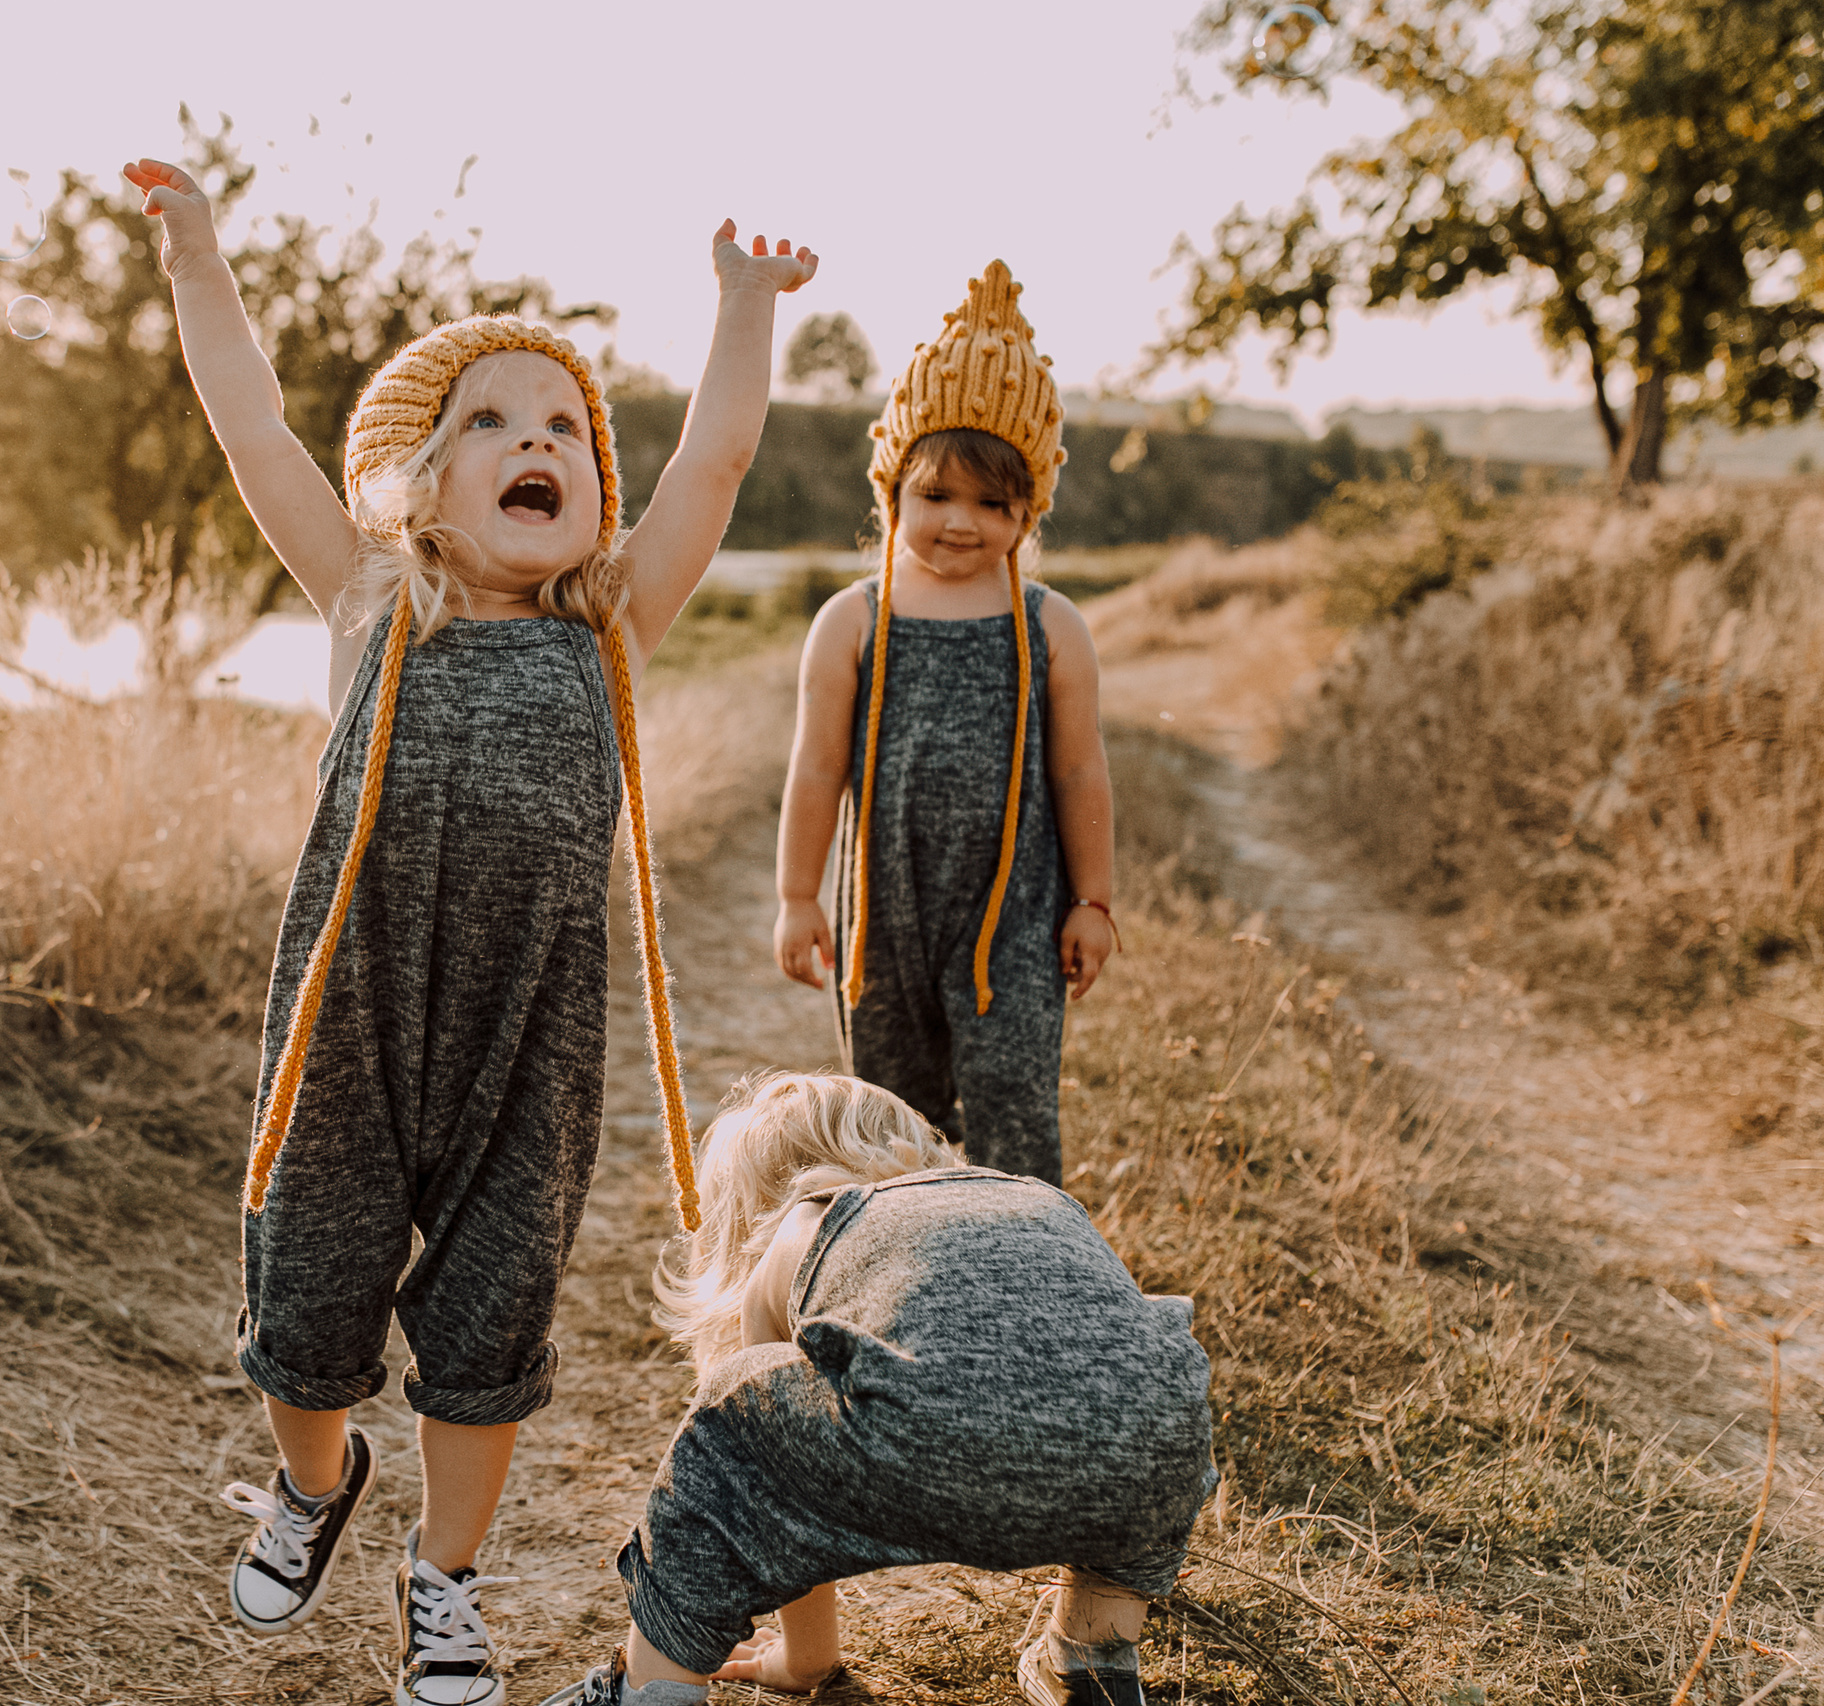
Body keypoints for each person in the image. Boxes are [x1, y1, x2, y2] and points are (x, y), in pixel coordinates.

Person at [119, 154, 818, 1706]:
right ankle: (315, 1479)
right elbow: (251, 424)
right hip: (354, 1016)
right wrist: (197, 267)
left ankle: (444, 1584)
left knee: (492, 1320)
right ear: (412, 481)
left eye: (563, 426)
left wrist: (740, 309)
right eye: (492, 423)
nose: (537, 442)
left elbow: (715, 464)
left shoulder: (612, 621)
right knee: (302, 1300)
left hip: (530, 1034)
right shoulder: (373, 597)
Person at [541, 1073, 1215, 1706]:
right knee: (1128, 1401)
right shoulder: (1034, 1196)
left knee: (728, 1421)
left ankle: (647, 1688)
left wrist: (803, 1661)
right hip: (1159, 1444)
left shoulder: (809, 1220)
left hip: (938, 1439)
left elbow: (778, 1474)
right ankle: (1091, 1656)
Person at [773, 261, 1116, 1187]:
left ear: (1028, 510)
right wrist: (800, 896)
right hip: (885, 910)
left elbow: (1081, 774)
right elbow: (815, 769)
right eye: (936, 496)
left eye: (993, 504)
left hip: (1018, 912)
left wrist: (1093, 900)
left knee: (1013, 1109)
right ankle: (907, 1270)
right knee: (891, 1118)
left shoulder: (1050, 625)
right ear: (892, 492)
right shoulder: (853, 620)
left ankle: (1032, 1272)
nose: (961, 523)